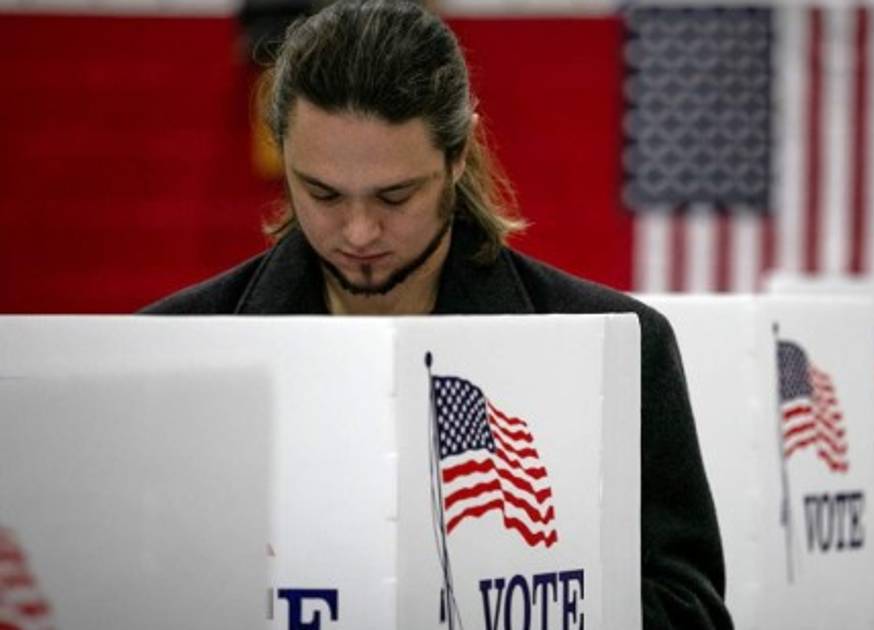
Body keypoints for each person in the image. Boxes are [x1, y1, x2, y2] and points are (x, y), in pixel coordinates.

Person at [143, 1, 732, 627]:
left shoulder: (622, 349)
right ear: (282, 153)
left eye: (395, 196)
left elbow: (690, 611)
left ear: (458, 155)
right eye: (323, 194)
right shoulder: (170, 351)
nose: (360, 231)